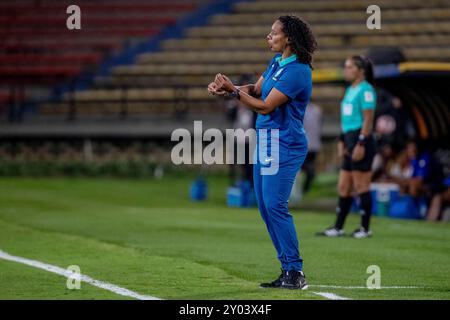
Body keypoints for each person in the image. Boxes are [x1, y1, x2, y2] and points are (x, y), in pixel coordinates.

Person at [207, 15, 317, 289]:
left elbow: (266, 105)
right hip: (266, 141)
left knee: (275, 206)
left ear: (288, 37)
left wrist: (234, 92)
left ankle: (296, 271)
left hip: (285, 143)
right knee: (266, 208)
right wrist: (228, 90)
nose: (269, 37)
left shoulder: (298, 71)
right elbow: (255, 90)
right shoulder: (277, 63)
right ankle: (287, 270)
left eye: (273, 33)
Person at [316, 55, 377, 239]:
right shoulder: (350, 89)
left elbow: (368, 119)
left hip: (361, 140)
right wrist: (342, 140)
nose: (346, 70)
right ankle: (338, 227)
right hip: (349, 139)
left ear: (361, 70)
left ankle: (365, 228)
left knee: (361, 185)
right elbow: (347, 120)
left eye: (350, 67)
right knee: (344, 186)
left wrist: (361, 143)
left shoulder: (366, 90)